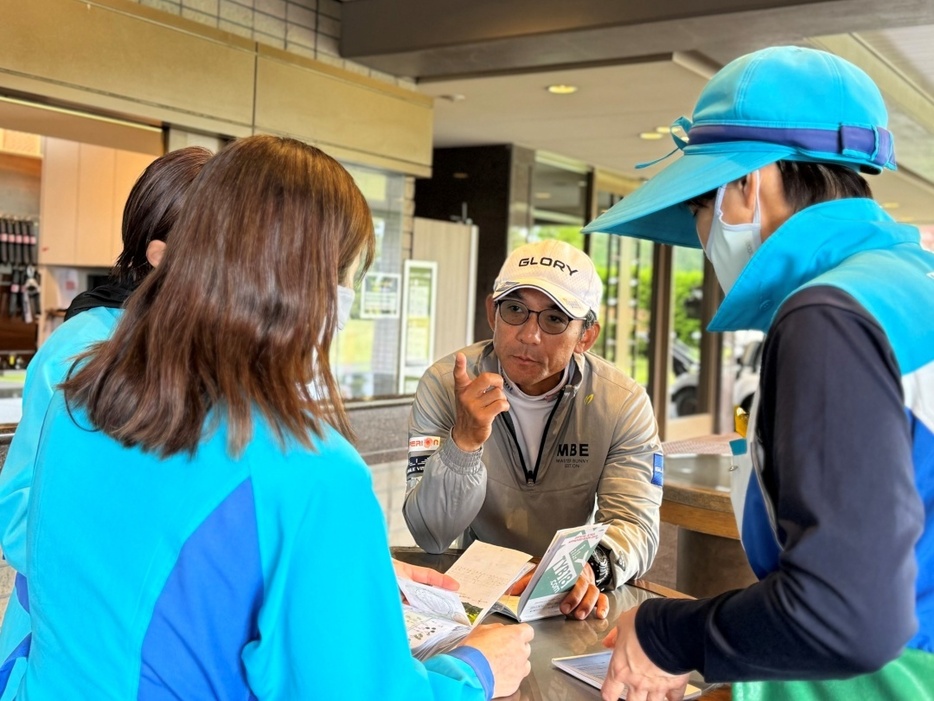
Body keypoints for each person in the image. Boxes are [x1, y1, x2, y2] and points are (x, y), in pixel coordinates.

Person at [8, 135, 533, 699]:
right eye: (349, 275)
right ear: (306, 285)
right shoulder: (313, 472)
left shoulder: (83, 396)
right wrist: (475, 672)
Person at [582, 46, 934, 700]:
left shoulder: (830, 315)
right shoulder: (908, 286)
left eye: (698, 206)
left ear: (749, 184)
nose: (702, 233)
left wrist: (667, 633)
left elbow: (849, 613)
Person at [0, 145, 213, 698]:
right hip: (71, 647)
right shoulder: (87, 347)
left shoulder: (204, 348)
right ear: (163, 253)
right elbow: (20, 514)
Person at [404, 238, 664, 620]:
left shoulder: (621, 403)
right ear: (492, 313)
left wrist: (587, 566)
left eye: (555, 318)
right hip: (472, 591)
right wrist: (463, 443)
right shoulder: (445, 385)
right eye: (515, 310)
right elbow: (431, 535)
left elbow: (635, 524)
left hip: (572, 597)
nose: (529, 335)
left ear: (586, 336)